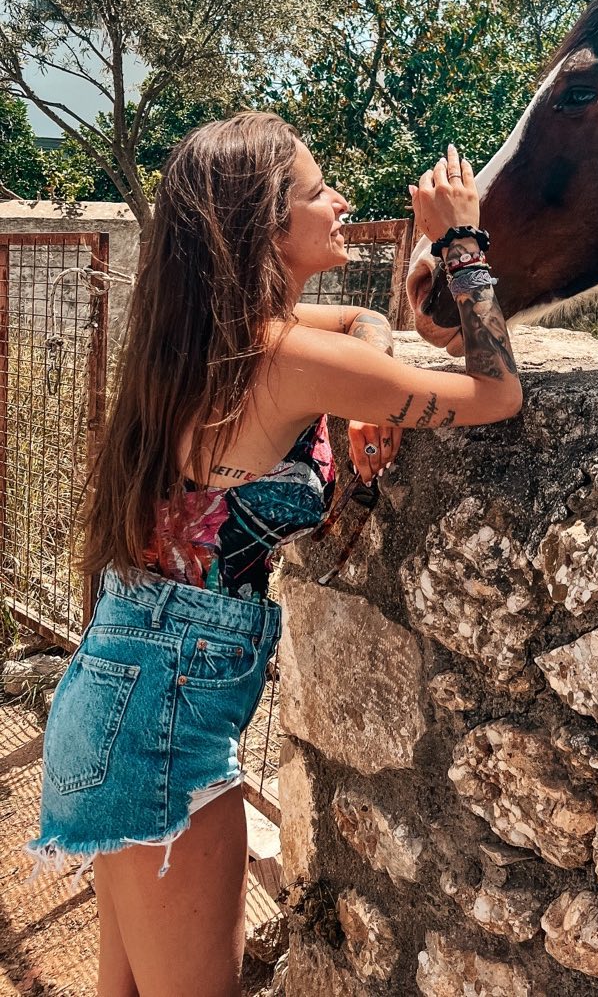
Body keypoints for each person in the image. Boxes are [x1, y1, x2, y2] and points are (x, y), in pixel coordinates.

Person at [27, 112, 519, 997]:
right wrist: (462, 241)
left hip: (124, 693)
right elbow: (496, 393)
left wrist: (366, 390)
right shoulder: (281, 356)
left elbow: (364, 320)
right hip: (159, 725)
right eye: (315, 190)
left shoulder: (211, 335)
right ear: (265, 227)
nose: (340, 201)